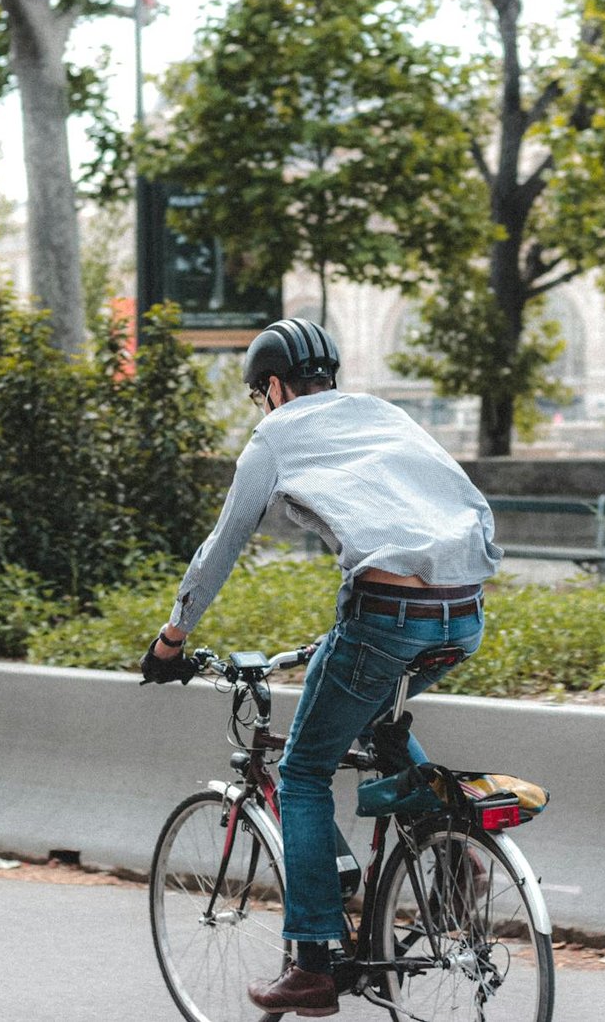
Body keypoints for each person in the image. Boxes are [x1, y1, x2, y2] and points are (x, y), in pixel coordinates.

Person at [140, 318, 502, 1017]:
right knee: (373, 712)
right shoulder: (383, 416)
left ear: (273, 386)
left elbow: (222, 547)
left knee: (303, 771)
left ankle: (311, 961)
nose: (263, 405)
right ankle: (454, 856)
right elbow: (454, 501)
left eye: (259, 393)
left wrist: (172, 639)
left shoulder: (275, 436)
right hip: (463, 613)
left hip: (384, 616)